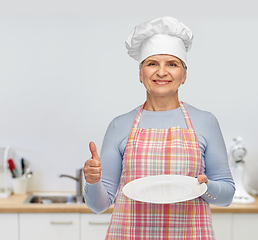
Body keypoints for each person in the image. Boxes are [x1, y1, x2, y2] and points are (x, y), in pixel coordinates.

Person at [83, 16, 235, 239]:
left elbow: (227, 196)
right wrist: (92, 181)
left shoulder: (206, 122)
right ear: (140, 74)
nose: (161, 72)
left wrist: (206, 186)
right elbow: (99, 205)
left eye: (171, 64)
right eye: (152, 63)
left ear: (183, 75)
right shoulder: (119, 125)